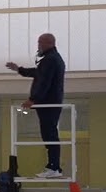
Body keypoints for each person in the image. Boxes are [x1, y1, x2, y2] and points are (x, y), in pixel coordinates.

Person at [6, 33, 67, 178]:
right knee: (48, 134)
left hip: (49, 103)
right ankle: (53, 166)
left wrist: (33, 99)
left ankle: (54, 167)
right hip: (49, 102)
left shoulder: (51, 59)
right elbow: (38, 73)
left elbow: (44, 81)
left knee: (49, 134)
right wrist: (19, 69)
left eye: (40, 43)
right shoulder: (50, 59)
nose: (38, 46)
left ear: (49, 43)